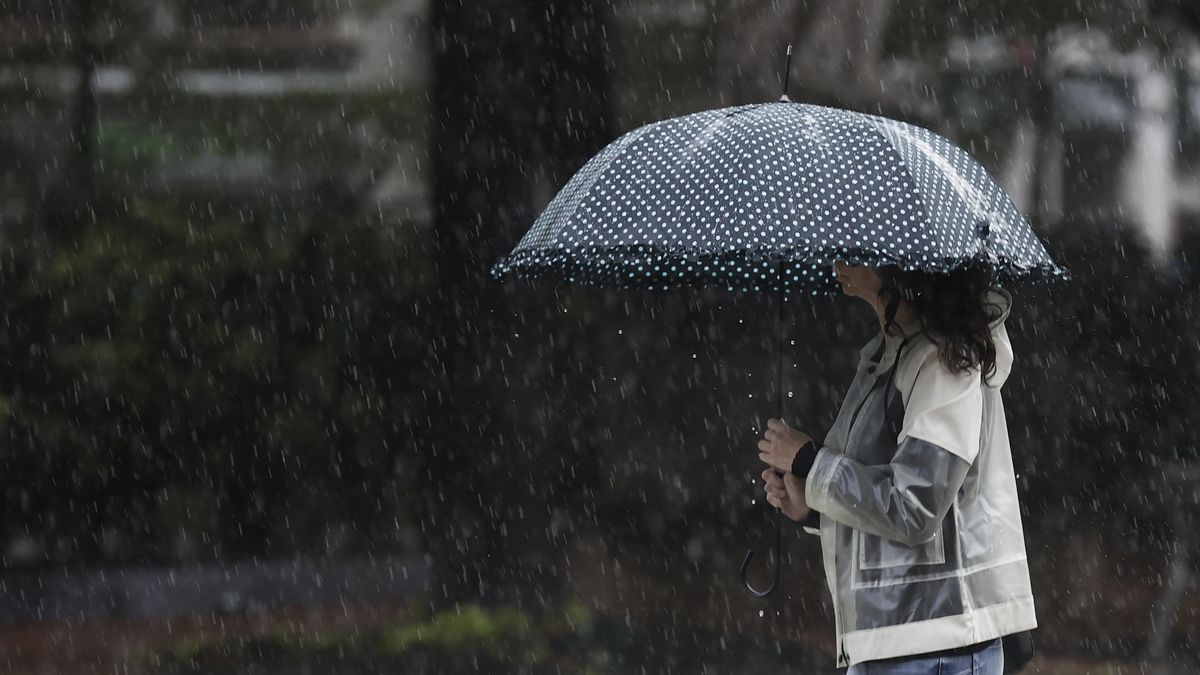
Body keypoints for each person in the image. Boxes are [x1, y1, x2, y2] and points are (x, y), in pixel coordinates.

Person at [757, 260, 1038, 674]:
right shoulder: (890, 354)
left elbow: (915, 507)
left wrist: (810, 463)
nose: (839, 261)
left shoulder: (944, 363)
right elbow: (887, 491)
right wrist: (811, 504)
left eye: (858, 249)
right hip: (895, 640)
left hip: (937, 644)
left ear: (903, 269)